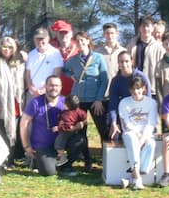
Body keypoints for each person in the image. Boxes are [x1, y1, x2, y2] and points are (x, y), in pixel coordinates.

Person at [62, 31, 108, 171]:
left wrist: (99, 99)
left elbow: (104, 79)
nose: (80, 43)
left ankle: (106, 160)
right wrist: (71, 76)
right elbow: (65, 69)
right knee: (81, 131)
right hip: (79, 100)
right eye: (77, 41)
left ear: (88, 41)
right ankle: (87, 160)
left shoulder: (98, 58)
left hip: (95, 100)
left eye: (83, 40)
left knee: (102, 130)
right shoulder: (74, 59)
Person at [20, 75, 77, 176]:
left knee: (80, 141)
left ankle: (66, 166)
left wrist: (77, 126)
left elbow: (78, 119)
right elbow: (24, 123)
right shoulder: (36, 102)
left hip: (62, 143)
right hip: (43, 145)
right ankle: (38, 161)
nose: (54, 88)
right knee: (48, 172)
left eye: (57, 85)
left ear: (61, 87)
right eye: (51, 85)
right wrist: (26, 146)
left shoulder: (66, 102)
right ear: (45, 86)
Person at [0, 36, 25, 165]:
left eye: (10, 47)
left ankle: (11, 158)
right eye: (4, 47)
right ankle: (2, 159)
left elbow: (22, 83)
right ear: (0, 48)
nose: (7, 50)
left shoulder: (18, 64)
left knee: (13, 132)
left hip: (15, 104)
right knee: (1, 134)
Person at [116, 76, 158, 190]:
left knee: (151, 144)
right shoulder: (124, 102)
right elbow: (126, 123)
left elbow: (151, 123)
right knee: (133, 140)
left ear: (144, 88)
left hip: (146, 134)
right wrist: (137, 135)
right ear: (130, 90)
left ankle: (132, 179)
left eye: (138, 88)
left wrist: (143, 138)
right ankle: (137, 178)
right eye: (133, 89)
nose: (136, 91)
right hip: (130, 133)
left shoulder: (152, 103)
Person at [94, 22, 127, 143]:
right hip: (103, 95)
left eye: (112, 33)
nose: (110, 36)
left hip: (119, 95)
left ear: (117, 34)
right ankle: (105, 153)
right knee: (104, 128)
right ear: (104, 34)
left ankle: (119, 149)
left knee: (119, 125)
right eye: (107, 33)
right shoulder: (97, 53)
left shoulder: (123, 51)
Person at [107, 51, 151, 141]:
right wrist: (114, 122)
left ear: (132, 61)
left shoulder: (141, 77)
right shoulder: (116, 81)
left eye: (127, 61)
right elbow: (113, 104)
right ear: (118, 63)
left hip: (140, 115)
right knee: (115, 136)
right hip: (123, 116)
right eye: (121, 62)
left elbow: (148, 101)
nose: (124, 64)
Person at [24, 28, 64, 106]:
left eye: (42, 38)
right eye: (37, 39)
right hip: (32, 94)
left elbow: (57, 74)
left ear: (48, 39)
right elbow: (28, 74)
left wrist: (44, 90)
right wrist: (32, 89)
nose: (40, 41)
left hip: (49, 93)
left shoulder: (55, 53)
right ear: (34, 40)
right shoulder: (31, 54)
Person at [128, 17, 165, 98]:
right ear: (139, 28)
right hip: (135, 89)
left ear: (152, 28)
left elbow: (162, 70)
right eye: (143, 26)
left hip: (152, 89)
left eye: (148, 26)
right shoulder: (132, 44)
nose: (145, 29)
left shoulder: (159, 47)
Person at [54, 94, 87, 168]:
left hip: (64, 133)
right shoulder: (79, 111)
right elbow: (84, 117)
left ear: (67, 105)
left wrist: (58, 128)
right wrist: (83, 122)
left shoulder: (66, 114)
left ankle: (62, 157)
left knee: (58, 145)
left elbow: (67, 126)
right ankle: (77, 154)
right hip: (74, 133)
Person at [50, 19, 79, 96]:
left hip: (77, 91)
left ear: (71, 34)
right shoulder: (50, 49)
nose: (63, 35)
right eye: (60, 32)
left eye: (66, 32)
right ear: (56, 34)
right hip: (56, 92)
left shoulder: (79, 47)